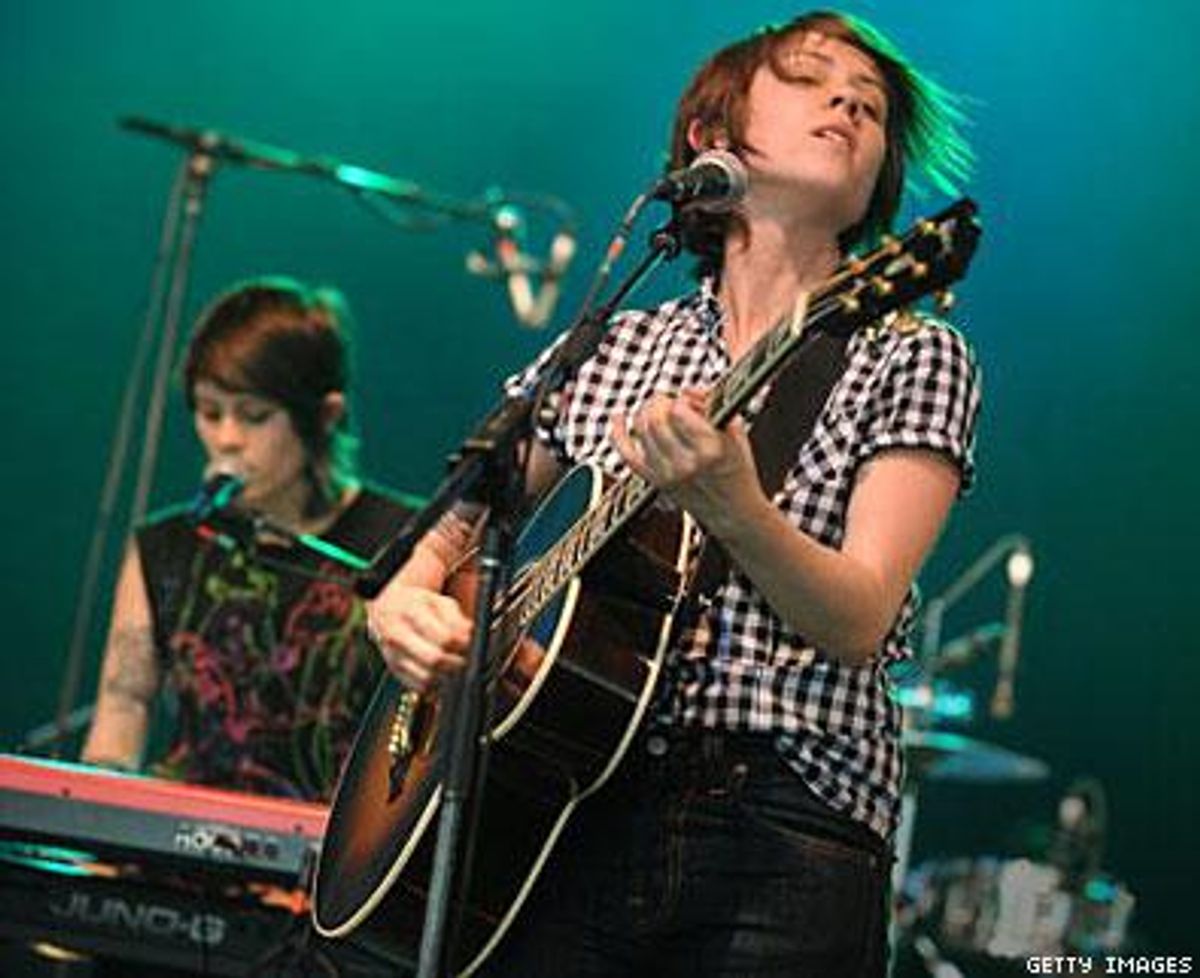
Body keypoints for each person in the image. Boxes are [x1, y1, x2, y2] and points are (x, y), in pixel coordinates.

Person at [365, 10, 980, 977]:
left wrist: (737, 507)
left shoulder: (912, 354)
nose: (849, 103)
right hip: (571, 812)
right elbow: (459, 516)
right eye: (811, 77)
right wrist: (404, 598)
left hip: (786, 828)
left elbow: (860, 619)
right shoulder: (616, 347)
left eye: (871, 104)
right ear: (712, 137)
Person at [81, 277, 414, 802]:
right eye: (209, 412)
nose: (227, 438)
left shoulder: (405, 541)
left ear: (325, 415)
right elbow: (123, 708)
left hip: (340, 839)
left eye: (254, 416)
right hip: (181, 832)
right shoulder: (168, 545)